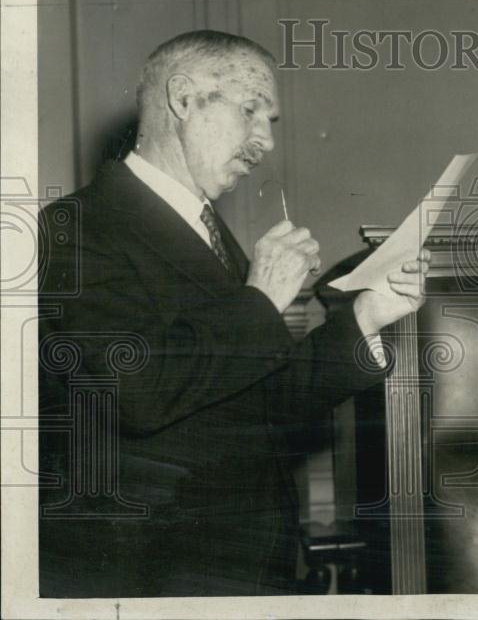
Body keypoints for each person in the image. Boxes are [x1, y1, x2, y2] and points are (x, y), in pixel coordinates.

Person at [37, 30, 429, 596]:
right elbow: (134, 391)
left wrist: (365, 317)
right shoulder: (74, 227)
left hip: (234, 558)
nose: (265, 142)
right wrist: (260, 299)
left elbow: (260, 401)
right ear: (183, 99)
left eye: (269, 122)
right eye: (251, 111)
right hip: (149, 569)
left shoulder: (203, 230)